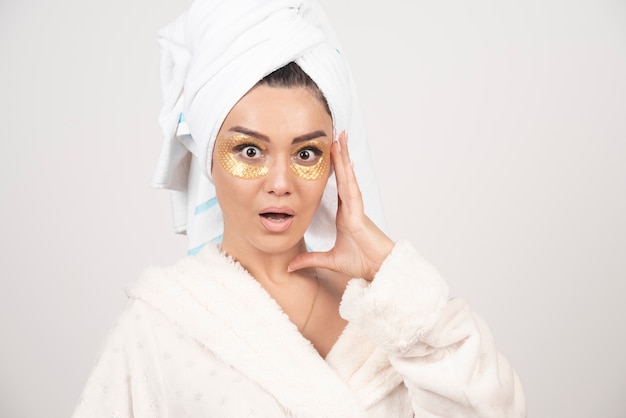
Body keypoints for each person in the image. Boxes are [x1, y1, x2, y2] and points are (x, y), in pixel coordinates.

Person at [72, 0, 526, 416]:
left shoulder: (385, 310)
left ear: (334, 162)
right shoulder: (157, 328)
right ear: (209, 158)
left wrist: (389, 269)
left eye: (306, 153)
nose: (281, 184)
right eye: (250, 151)